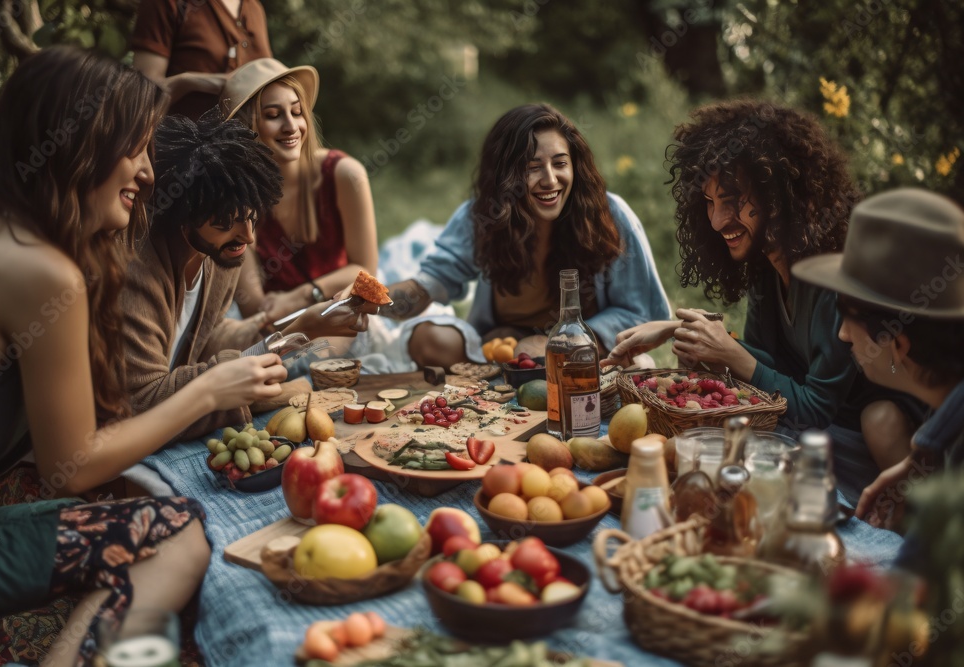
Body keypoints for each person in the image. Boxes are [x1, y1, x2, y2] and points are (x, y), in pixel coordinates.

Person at [0, 47, 286, 666]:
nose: (147, 172)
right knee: (179, 530)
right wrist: (209, 391)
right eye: (135, 150)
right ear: (80, 147)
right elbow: (74, 464)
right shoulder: (40, 270)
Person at [603, 99, 924, 500]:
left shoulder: (834, 277)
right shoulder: (766, 268)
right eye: (709, 202)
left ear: (779, 193)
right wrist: (677, 329)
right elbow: (769, 369)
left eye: (733, 199)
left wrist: (731, 354)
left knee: (881, 419)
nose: (718, 221)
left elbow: (812, 406)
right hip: (806, 430)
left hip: (858, 433)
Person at [121, 114, 371, 440]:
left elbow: (206, 337)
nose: (249, 237)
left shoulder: (218, 254)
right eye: (228, 223)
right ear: (182, 216)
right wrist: (250, 387)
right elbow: (142, 402)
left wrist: (304, 326)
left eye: (253, 217)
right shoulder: (137, 270)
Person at [380, 103, 671, 370]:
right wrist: (369, 302)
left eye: (560, 163)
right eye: (532, 167)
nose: (550, 180)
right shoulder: (482, 216)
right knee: (428, 338)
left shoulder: (611, 216)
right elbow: (430, 283)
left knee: (640, 368)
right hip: (501, 355)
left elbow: (640, 315)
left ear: (575, 166)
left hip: (583, 352)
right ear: (505, 175)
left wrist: (557, 343)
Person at [790, 188, 964, 528]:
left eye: (847, 315)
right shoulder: (942, 409)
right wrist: (921, 455)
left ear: (897, 343)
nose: (841, 335)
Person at [219, 58, 380, 326]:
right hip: (276, 327)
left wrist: (304, 296)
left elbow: (366, 273)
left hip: (341, 315)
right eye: (273, 115)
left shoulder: (345, 174)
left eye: (296, 112)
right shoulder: (237, 197)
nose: (291, 126)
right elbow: (254, 308)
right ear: (244, 130)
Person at [131, 0, 273, 119]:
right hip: (183, 147)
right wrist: (189, 82)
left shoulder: (254, 8)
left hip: (248, 147)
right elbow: (141, 96)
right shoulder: (167, 4)